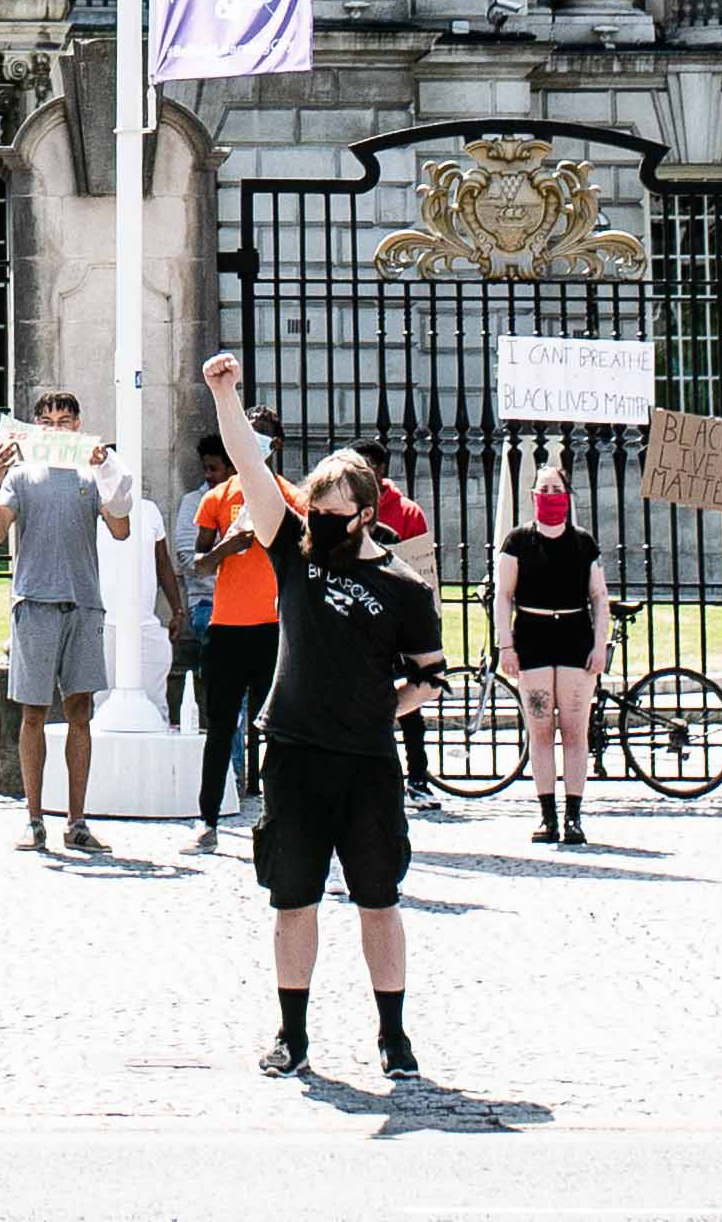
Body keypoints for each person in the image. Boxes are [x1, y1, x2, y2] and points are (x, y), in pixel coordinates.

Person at [203, 354, 430, 1084]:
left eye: (336, 515)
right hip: (295, 754)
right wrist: (225, 395)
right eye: (317, 511)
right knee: (291, 899)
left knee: (378, 900)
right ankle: (291, 1034)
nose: (323, 524)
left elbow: (428, 681)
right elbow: (248, 462)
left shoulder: (404, 586)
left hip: (366, 761)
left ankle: (393, 1035)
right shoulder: (294, 552)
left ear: (366, 514)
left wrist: (379, 712)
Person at [0, 390, 136, 853]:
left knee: (80, 712)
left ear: (78, 424)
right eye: (47, 420)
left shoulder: (91, 474)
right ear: (35, 427)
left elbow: (121, 526)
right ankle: (33, 818)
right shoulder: (23, 476)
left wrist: (107, 470)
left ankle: (77, 819)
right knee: (32, 712)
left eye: (65, 420)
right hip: (35, 600)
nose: (56, 427)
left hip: (82, 600)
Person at [501, 462, 607, 848]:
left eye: (554, 490)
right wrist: (505, 645)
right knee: (540, 729)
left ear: (567, 495)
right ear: (532, 497)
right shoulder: (517, 541)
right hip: (533, 636)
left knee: (575, 731)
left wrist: (600, 645)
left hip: (575, 636)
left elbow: (599, 597)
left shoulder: (582, 542)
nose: (548, 497)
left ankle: (574, 815)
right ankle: (547, 815)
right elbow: (503, 595)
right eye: (542, 490)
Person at [184, 436, 272, 848]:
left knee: (280, 729)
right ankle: (208, 819)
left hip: (274, 628)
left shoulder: (288, 496)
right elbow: (197, 565)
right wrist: (228, 547)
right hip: (227, 626)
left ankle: (281, 817)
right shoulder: (217, 499)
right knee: (220, 728)